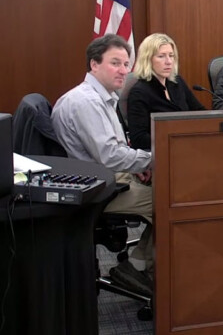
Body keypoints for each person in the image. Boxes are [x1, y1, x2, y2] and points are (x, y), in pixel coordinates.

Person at [51, 34, 154, 294]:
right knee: (172, 201)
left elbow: (116, 150)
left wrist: (138, 164)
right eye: (115, 63)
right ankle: (137, 267)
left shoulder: (102, 96)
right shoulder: (86, 102)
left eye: (126, 64)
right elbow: (110, 156)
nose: (123, 70)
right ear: (94, 65)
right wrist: (154, 158)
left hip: (107, 176)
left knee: (172, 190)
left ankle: (141, 261)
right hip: (97, 189)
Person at [127, 33, 205, 151]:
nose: (168, 61)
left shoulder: (177, 82)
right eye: (161, 56)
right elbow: (139, 138)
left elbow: (200, 113)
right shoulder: (140, 92)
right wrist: (175, 139)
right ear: (147, 59)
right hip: (161, 152)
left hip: (188, 146)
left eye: (171, 55)